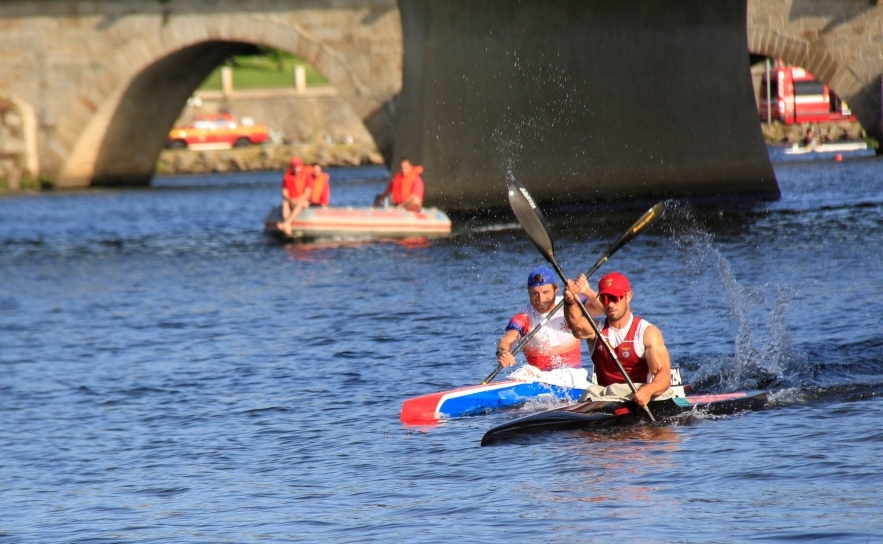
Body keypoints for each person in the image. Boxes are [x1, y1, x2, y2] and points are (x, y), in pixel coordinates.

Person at [562, 271, 673, 406]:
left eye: (615, 297)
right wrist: (570, 301)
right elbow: (576, 324)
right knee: (593, 391)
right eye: (605, 299)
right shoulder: (596, 330)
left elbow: (664, 376)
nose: (610, 304)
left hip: (639, 396)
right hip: (606, 399)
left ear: (629, 296)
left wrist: (649, 390)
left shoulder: (647, 332)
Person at [495, 266, 603, 373]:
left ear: (556, 289)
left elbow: (603, 309)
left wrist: (587, 291)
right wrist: (502, 352)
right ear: (529, 292)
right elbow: (507, 339)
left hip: (574, 378)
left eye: (545, 292)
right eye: (535, 294)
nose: (540, 299)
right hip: (541, 381)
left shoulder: (570, 304)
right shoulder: (524, 317)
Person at [277, 157, 314, 236]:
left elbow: (307, 193)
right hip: (291, 200)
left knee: (300, 203)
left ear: (301, 166)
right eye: (294, 166)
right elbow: (284, 192)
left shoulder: (307, 176)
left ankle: (287, 223)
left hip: (305, 201)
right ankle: (288, 228)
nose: (296, 168)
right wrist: (290, 199)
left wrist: (298, 200)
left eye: (297, 166)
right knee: (285, 203)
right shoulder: (287, 177)